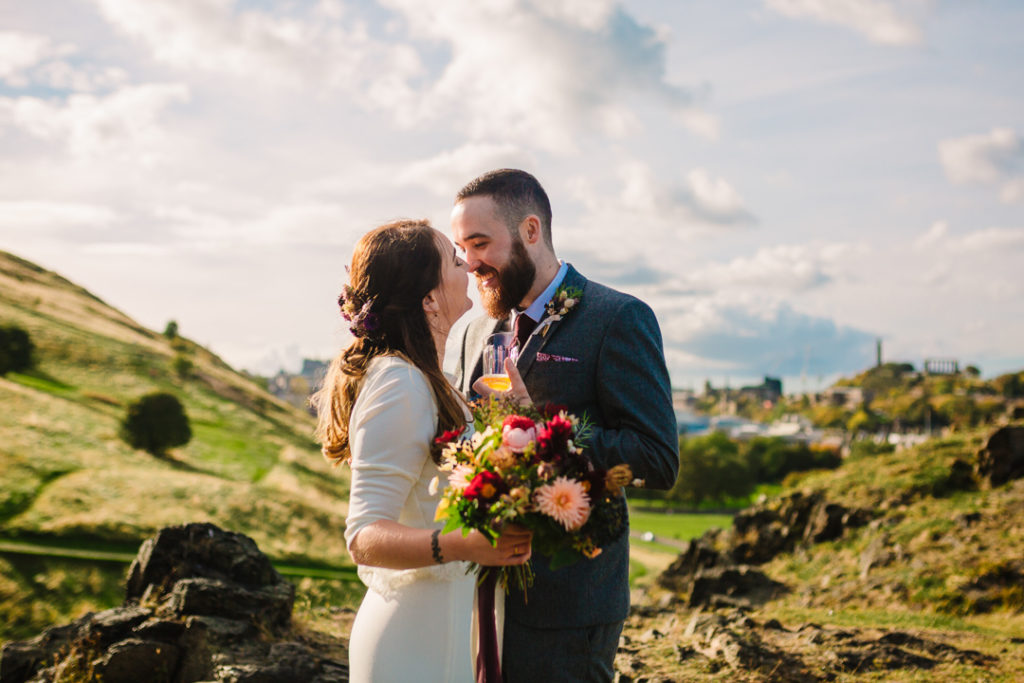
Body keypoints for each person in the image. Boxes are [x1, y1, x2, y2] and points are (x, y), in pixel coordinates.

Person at [451, 170, 679, 682]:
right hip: (479, 591)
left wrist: (541, 431)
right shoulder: (473, 328)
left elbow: (658, 457)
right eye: (462, 248)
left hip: (570, 603)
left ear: (531, 231)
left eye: (480, 243)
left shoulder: (617, 317)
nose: (470, 264)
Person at [313, 219, 533, 683]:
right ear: (430, 299)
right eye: (455, 260)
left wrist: (511, 423)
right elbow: (365, 537)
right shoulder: (399, 382)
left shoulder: (427, 379)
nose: (469, 263)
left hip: (443, 629)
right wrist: (465, 545)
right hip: (413, 640)